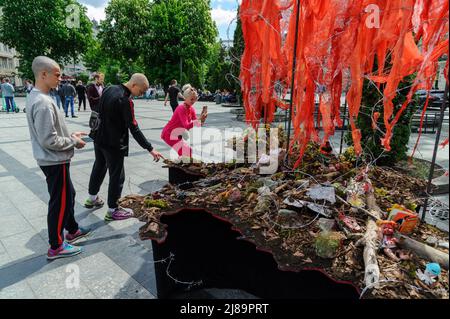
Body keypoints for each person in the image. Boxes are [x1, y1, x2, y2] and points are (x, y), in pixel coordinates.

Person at [25, 56, 90, 260]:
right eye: (57, 74)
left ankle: (72, 229)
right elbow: (49, 140)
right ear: (43, 74)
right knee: (59, 202)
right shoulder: (43, 102)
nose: (60, 79)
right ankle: (56, 246)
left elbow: (50, 133)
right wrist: (73, 142)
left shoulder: (38, 96)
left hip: (53, 159)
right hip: (54, 160)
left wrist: (71, 135)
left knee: (67, 194)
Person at [85, 73, 164, 221]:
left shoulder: (109, 89)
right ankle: (113, 210)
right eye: (140, 91)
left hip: (98, 137)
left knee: (99, 166)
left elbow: (97, 109)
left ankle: (92, 198)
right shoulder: (125, 100)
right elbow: (133, 128)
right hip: (113, 143)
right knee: (117, 176)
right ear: (134, 85)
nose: (140, 95)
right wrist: (150, 148)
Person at [161, 84, 208, 157]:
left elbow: (198, 125)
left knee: (187, 151)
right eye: (191, 99)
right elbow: (187, 126)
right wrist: (199, 119)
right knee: (186, 151)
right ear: (185, 98)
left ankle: (181, 165)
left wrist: (203, 119)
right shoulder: (181, 108)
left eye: (195, 99)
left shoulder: (191, 109)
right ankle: (181, 166)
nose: (193, 101)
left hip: (177, 135)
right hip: (169, 134)